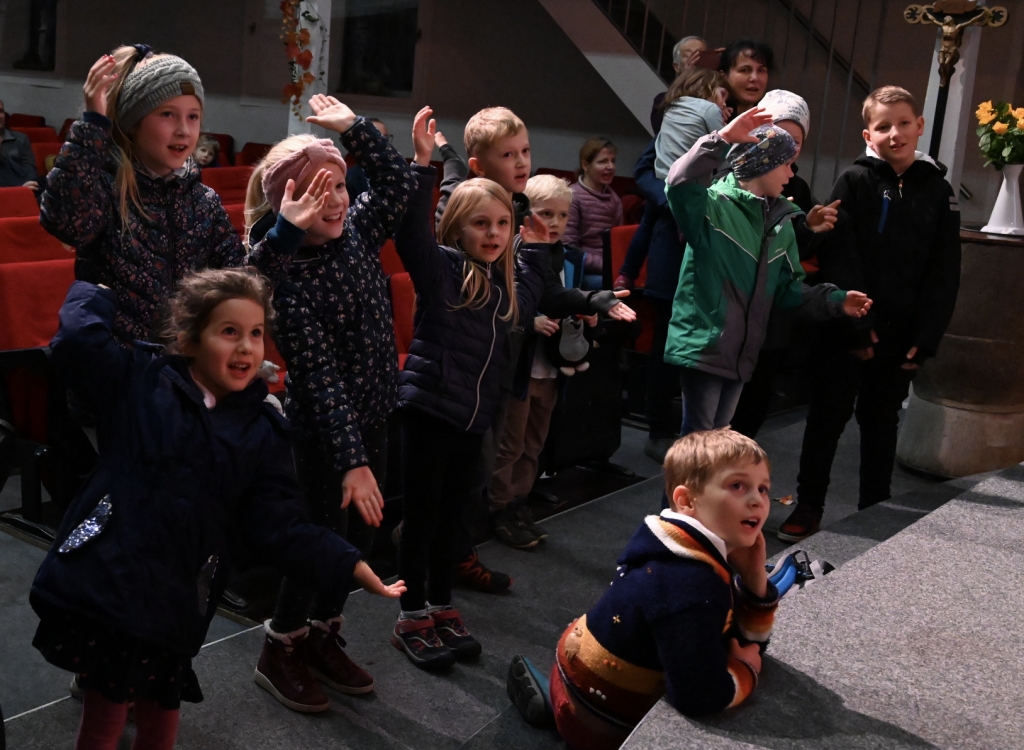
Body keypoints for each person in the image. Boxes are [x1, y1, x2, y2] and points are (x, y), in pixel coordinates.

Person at [30, 269, 404, 750]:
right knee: (104, 717)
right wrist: (91, 293)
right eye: (230, 332)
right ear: (189, 339)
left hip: (175, 599)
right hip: (113, 584)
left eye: (255, 334)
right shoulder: (144, 382)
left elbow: (279, 525)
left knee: (162, 715)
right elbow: (77, 344)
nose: (247, 347)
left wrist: (348, 562)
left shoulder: (262, 432)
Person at [242, 95, 417, 710]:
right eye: (321, 192)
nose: (340, 200)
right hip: (324, 438)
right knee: (321, 545)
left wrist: (354, 130)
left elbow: (396, 181)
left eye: (342, 185)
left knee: (361, 543)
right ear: (290, 205)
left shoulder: (357, 236)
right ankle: (281, 642)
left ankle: (322, 634)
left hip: (371, 421)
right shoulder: (289, 280)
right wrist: (351, 460)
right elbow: (317, 378)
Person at [389, 108, 552, 670]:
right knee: (422, 520)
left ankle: (440, 604)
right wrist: (422, 164)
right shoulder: (442, 270)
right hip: (430, 411)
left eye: (502, 225)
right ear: (457, 227)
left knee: (452, 521)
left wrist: (541, 239)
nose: (492, 234)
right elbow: (411, 235)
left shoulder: (509, 284)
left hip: (472, 418)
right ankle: (411, 615)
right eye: (480, 224)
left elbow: (535, 286)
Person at [506, 428, 780, 749]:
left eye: (763, 489)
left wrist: (754, 580)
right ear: (687, 500)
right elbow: (698, 696)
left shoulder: (666, 544)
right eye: (738, 485)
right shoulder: (691, 584)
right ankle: (570, 722)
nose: (757, 501)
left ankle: (556, 702)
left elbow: (728, 637)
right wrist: (747, 670)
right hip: (600, 723)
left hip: (573, 675)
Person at [779, 86, 961, 542]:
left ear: (919, 126)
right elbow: (842, 257)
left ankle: (874, 508)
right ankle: (809, 504)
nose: (894, 133)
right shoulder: (854, 181)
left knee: (881, 425)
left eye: (903, 123)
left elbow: (944, 269)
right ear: (868, 134)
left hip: (901, 332)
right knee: (826, 419)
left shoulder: (938, 191)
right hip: (847, 328)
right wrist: (857, 327)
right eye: (883, 126)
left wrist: (928, 333)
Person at [663, 107, 872, 437]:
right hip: (705, 345)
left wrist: (835, 300)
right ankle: (678, 493)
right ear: (764, 163)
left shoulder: (779, 222)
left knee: (717, 440)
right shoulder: (714, 207)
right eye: (787, 165)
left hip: (742, 350)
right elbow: (678, 182)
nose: (791, 174)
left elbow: (788, 289)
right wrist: (723, 138)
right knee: (699, 443)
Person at [40, 45, 245, 347]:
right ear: (133, 124)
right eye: (167, 115)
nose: (184, 131)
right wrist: (93, 126)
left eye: (193, 117)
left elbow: (240, 284)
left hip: (183, 373)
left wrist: (286, 234)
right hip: (116, 373)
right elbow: (68, 223)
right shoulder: (108, 191)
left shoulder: (204, 202)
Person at [489, 174, 635, 549]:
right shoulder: (514, 252)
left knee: (535, 442)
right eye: (545, 214)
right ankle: (499, 507)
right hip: (521, 367)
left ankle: (520, 500)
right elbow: (506, 301)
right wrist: (531, 319)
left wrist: (586, 311)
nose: (554, 223)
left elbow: (562, 295)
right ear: (524, 216)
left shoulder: (562, 254)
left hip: (550, 367)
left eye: (562, 216)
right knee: (510, 444)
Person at [615, 67, 734, 463]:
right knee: (666, 340)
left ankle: (702, 429)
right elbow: (645, 174)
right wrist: (675, 203)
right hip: (672, 231)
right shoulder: (687, 122)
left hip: (710, 240)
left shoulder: (715, 117)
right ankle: (659, 429)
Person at [730, 90, 841, 439]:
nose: (787, 149)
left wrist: (809, 227)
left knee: (755, 400)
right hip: (732, 312)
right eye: (779, 136)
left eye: (795, 141)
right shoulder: (734, 176)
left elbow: (793, 256)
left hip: (771, 311)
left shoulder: (797, 185)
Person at [564, 137, 623, 287]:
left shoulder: (614, 199)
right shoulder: (573, 197)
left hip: (609, 268)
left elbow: (618, 243)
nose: (610, 167)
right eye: (602, 162)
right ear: (585, 165)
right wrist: (607, 266)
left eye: (613, 161)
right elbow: (569, 247)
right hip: (584, 271)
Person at [650, 36, 708, 133]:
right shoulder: (662, 100)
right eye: (688, 55)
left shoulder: (722, 97)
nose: (696, 59)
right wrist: (688, 76)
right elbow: (662, 132)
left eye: (701, 54)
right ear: (677, 67)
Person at [718, 39, 772, 116]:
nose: (754, 78)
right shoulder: (707, 116)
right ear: (723, 76)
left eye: (761, 70)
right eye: (744, 70)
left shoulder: (774, 119)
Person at [345, 117, 389, 202]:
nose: (383, 144)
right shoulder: (350, 177)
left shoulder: (395, 171)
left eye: (385, 138)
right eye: (377, 139)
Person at [0, 98, 40, 190]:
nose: (0, 116)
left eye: (1, 111)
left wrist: (25, 187)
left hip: (23, 187)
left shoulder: (21, 139)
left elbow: (30, 168)